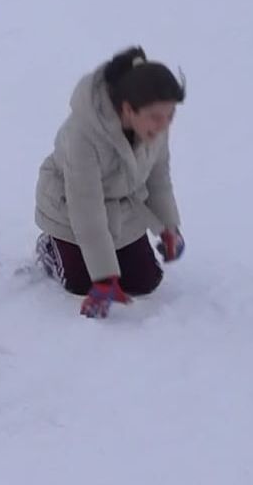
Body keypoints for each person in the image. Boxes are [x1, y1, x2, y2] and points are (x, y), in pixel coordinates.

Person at [33, 47, 186, 319]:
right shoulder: (83, 135)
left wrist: (169, 227)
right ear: (128, 109)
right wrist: (104, 277)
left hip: (121, 207)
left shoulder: (154, 128)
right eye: (156, 116)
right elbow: (86, 209)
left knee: (145, 281)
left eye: (170, 116)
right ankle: (50, 246)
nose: (164, 125)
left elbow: (159, 179)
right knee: (82, 283)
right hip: (69, 209)